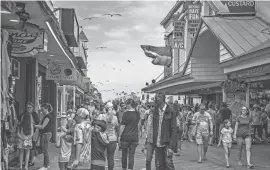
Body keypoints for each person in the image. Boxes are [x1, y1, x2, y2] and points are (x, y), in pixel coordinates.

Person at [145, 93, 177, 170]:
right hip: (158, 142)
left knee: (168, 163)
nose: (155, 100)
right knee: (159, 165)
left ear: (162, 99)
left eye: (157, 98)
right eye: (155, 98)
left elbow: (173, 129)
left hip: (167, 142)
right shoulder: (155, 111)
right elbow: (151, 127)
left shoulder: (170, 111)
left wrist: (171, 146)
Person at [119, 99, 140, 170]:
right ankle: (130, 168)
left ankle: (124, 168)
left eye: (126, 104)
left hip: (125, 137)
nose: (125, 106)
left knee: (124, 155)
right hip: (134, 137)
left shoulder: (126, 113)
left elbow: (122, 126)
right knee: (131, 156)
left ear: (129, 105)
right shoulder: (137, 113)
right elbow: (138, 125)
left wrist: (119, 136)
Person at [17, 102, 39, 170]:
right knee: (24, 152)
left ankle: (27, 164)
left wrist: (31, 135)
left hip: (28, 135)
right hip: (25, 135)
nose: (28, 109)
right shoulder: (23, 115)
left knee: (28, 151)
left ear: (32, 108)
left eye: (30, 107)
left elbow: (35, 124)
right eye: (27, 107)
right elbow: (19, 125)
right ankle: (23, 165)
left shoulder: (34, 114)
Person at [97, 102, 119, 170]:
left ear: (105, 109)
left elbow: (97, 127)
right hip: (112, 139)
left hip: (102, 139)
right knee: (111, 157)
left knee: (101, 157)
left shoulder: (101, 116)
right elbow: (117, 128)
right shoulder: (115, 118)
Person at [34, 103, 53, 170]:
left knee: (45, 150)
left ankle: (46, 166)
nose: (41, 110)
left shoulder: (48, 116)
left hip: (46, 134)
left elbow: (42, 126)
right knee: (45, 150)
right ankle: (46, 165)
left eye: (42, 109)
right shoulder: (46, 116)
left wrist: (34, 125)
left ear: (46, 109)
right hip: (46, 134)